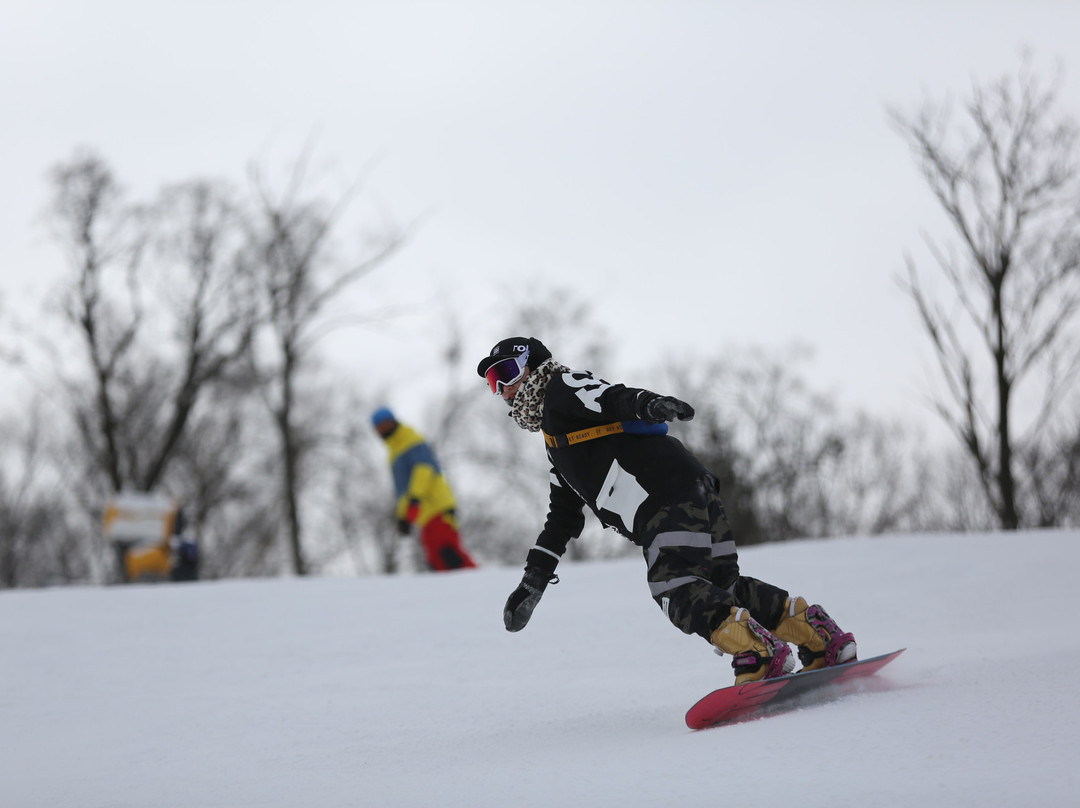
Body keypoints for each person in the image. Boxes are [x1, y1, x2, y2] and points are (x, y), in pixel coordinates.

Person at [476, 336, 856, 684]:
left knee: (674, 587)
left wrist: (650, 404)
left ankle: (756, 652)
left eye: (506, 373)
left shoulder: (562, 388)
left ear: (534, 366)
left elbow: (608, 396)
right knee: (721, 587)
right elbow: (562, 518)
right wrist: (533, 580)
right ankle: (819, 638)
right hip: (690, 486)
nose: (504, 390)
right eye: (494, 384)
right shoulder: (557, 445)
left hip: (663, 495)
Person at [371, 407, 477, 572]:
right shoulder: (394, 452)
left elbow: (424, 469)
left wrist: (415, 498)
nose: (383, 431)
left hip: (437, 506)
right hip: (424, 515)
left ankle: (479, 583)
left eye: (385, 425)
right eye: (379, 428)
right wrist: (403, 518)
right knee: (435, 559)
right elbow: (402, 491)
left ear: (393, 422)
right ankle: (452, 594)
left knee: (447, 552)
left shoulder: (410, 439)